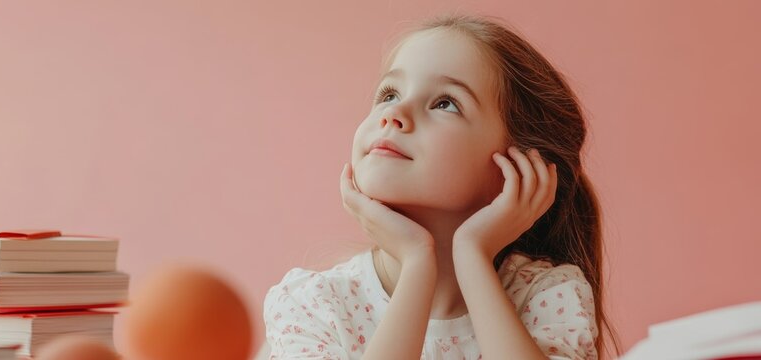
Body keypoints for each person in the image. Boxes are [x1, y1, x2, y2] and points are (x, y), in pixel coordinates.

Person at [262, 13, 621, 360]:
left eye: (445, 103)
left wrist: (472, 255)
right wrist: (418, 262)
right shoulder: (315, 305)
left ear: (517, 168)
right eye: (389, 94)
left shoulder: (547, 296)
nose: (394, 113)